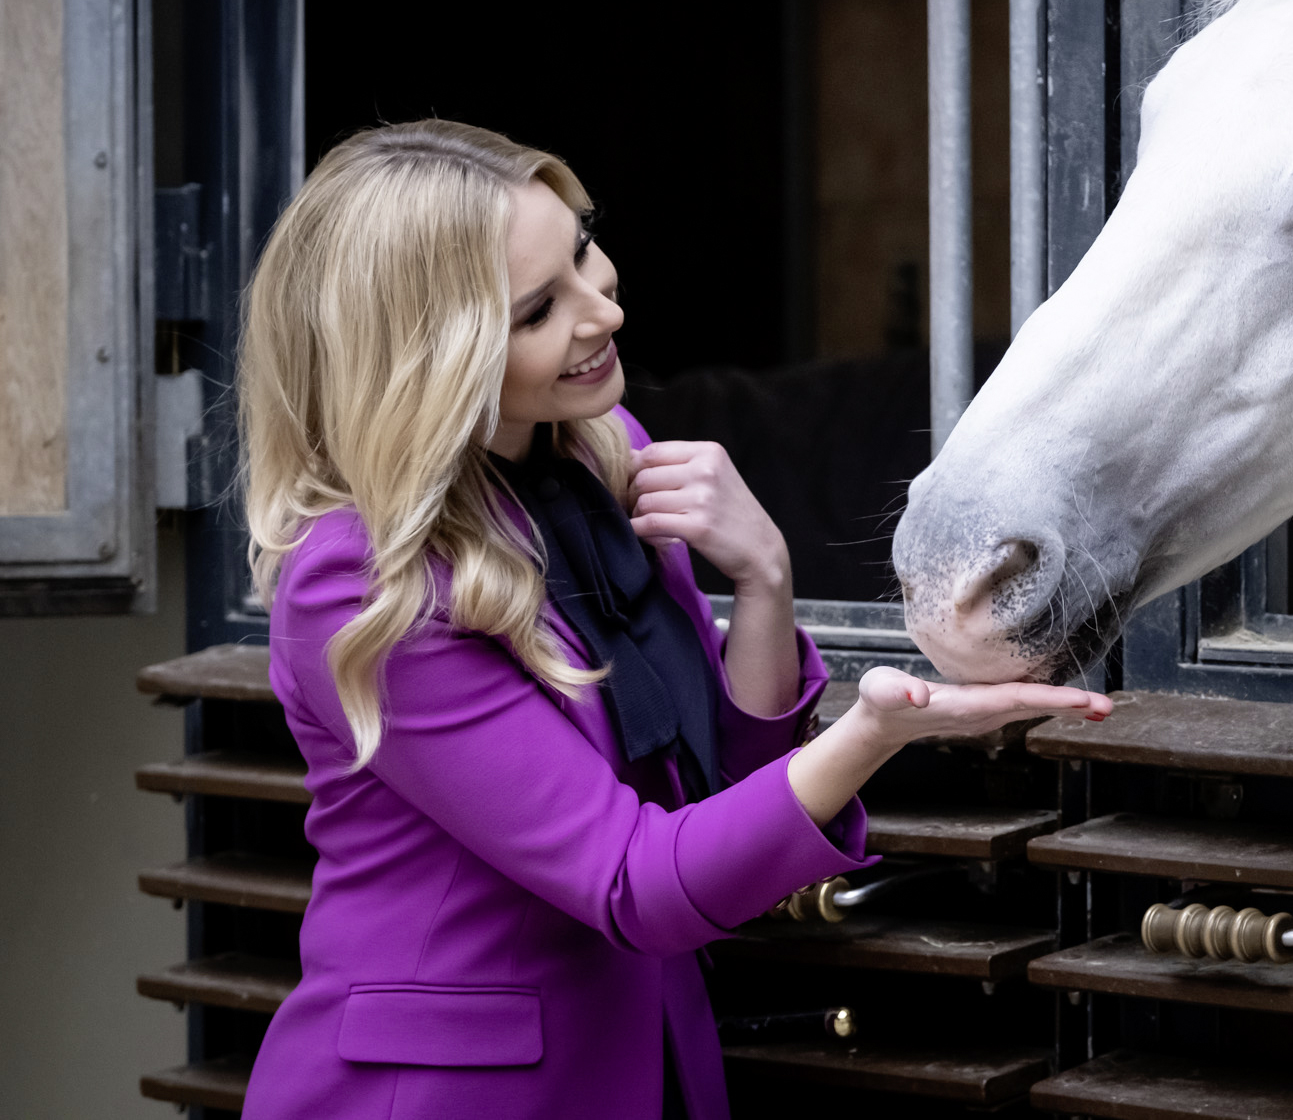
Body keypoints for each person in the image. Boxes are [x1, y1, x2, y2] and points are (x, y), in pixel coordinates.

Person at [235, 120, 1112, 1120]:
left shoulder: (602, 457)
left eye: (581, 250)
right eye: (537, 310)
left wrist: (764, 574)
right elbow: (632, 878)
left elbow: (724, 791)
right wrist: (873, 733)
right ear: (430, 359)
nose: (601, 306)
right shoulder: (361, 576)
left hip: (644, 1062)